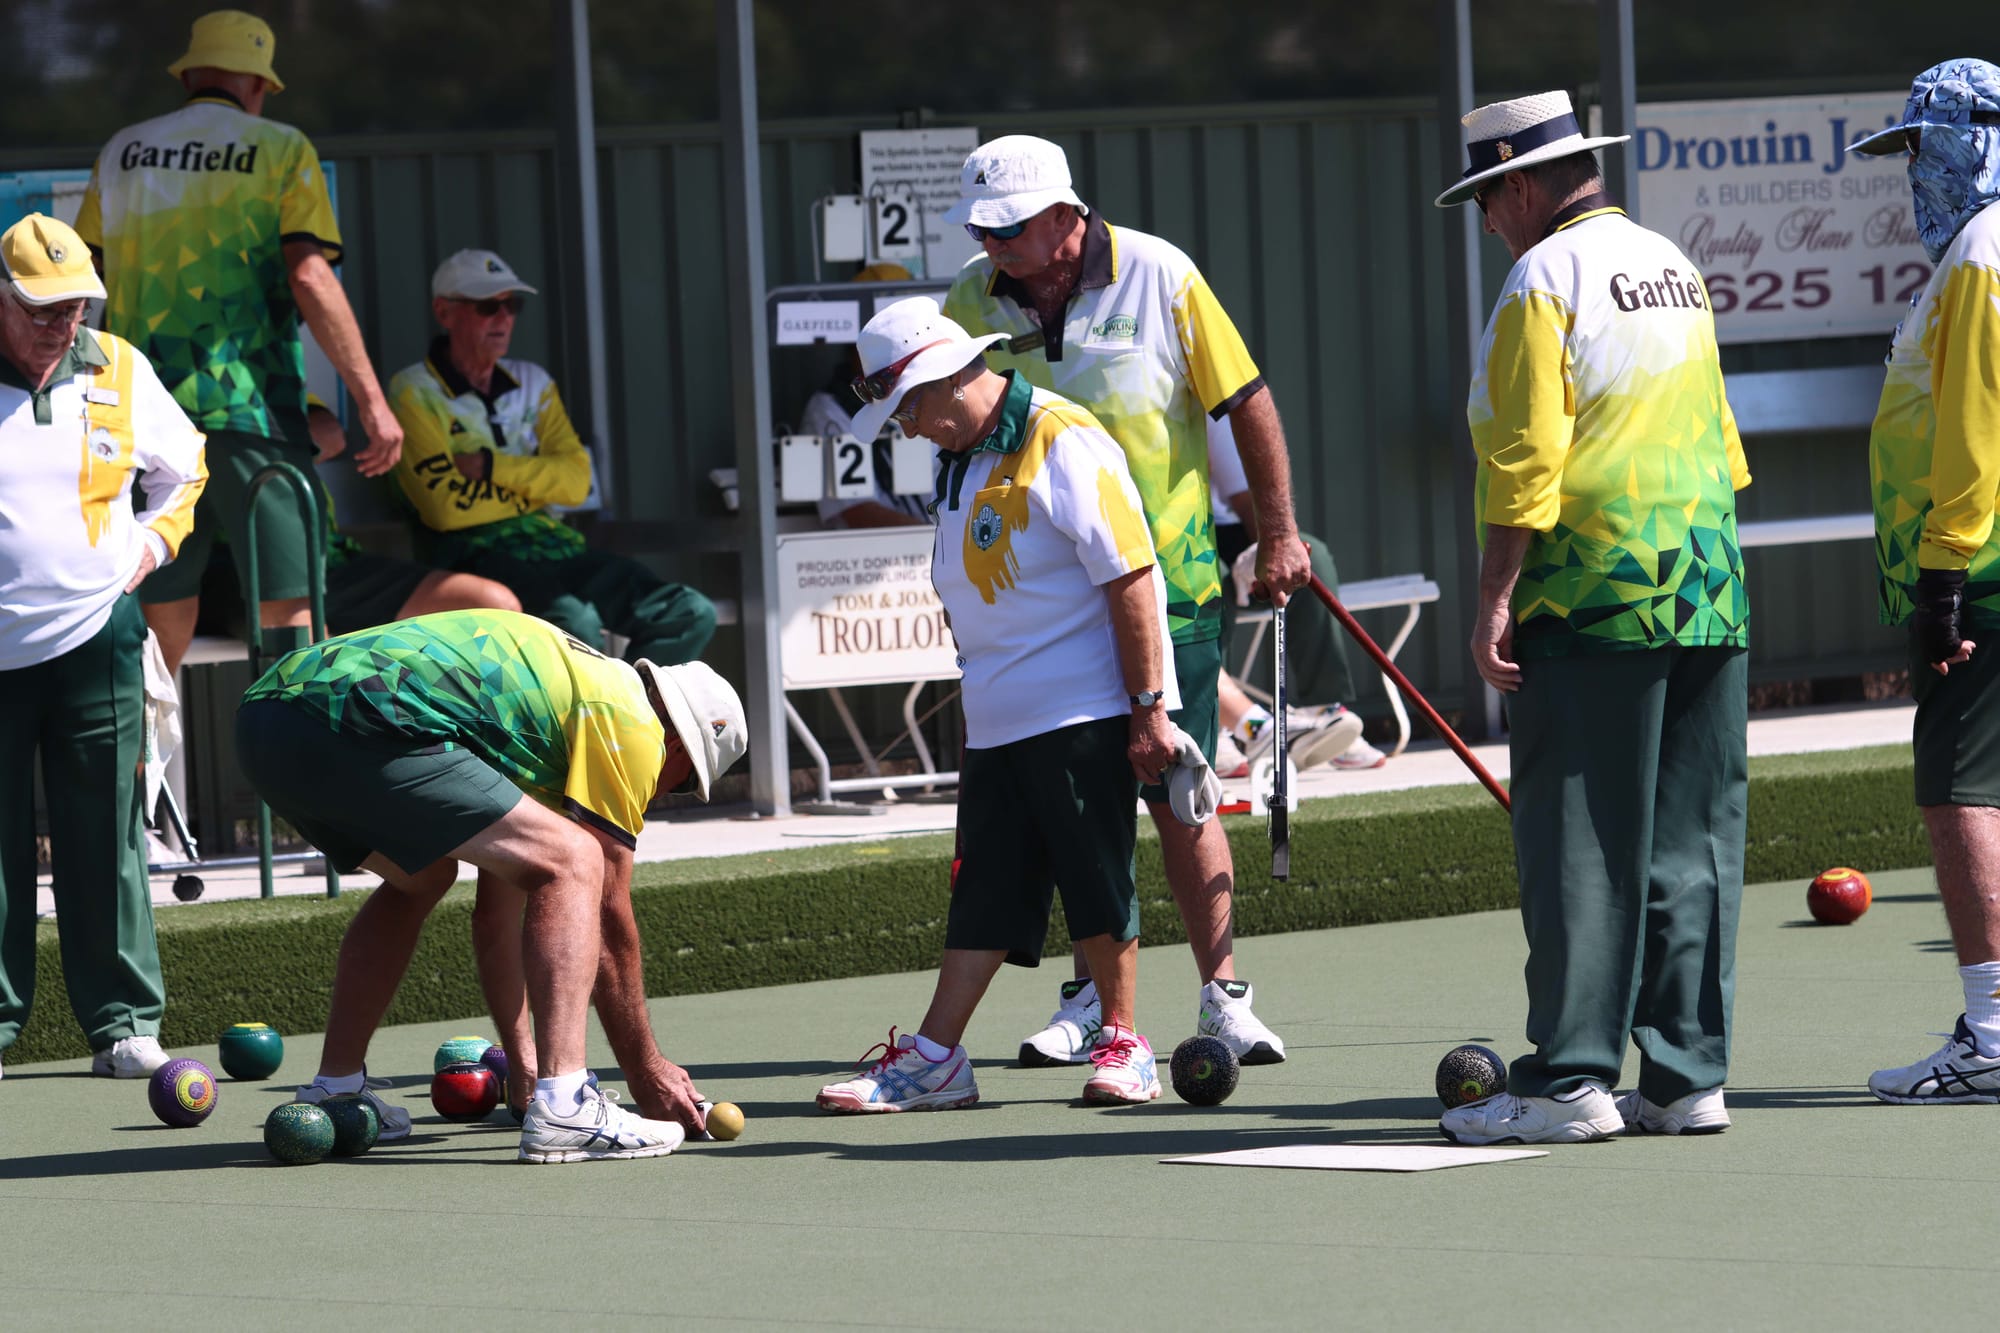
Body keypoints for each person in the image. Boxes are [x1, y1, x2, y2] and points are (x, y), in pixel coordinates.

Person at [942, 135, 1310, 1069]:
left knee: (1179, 794)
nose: (995, 248)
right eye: (984, 231)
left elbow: (1250, 403)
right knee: (1077, 807)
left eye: (1012, 229)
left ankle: (1222, 996)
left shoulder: (1162, 274)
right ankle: (1090, 999)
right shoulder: (969, 300)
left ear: (1069, 215)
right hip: (1039, 613)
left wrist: (1278, 532)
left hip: (1166, 588)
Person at [1433, 92, 1751, 1145]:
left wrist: (1490, 601)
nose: (1485, 219)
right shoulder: (1671, 261)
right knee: (1689, 841)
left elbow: (1527, 459)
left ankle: (1568, 1079)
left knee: (1577, 842)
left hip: (1589, 591)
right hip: (1706, 582)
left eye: (1486, 196)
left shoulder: (1539, 275)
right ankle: (1682, 1077)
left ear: (1521, 185)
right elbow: (1722, 436)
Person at [816, 298, 1196, 1112]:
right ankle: (938, 1058)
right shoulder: (958, 453)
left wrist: (1148, 709)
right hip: (997, 717)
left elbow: (1131, 575)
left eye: (907, 409)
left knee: (1097, 879)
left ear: (948, 380)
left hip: (1082, 708)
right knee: (984, 888)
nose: (908, 429)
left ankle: (1125, 1043)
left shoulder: (1063, 436)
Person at [234, 608, 747, 1160]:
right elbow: (607, 917)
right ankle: (568, 1104)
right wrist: (646, 1068)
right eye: (679, 787)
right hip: (365, 717)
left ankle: (336, 1087)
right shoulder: (631, 723)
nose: (659, 794)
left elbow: (496, 917)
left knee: (422, 875)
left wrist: (524, 1064)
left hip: (269, 718)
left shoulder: (555, 720)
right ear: (678, 749)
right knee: (576, 859)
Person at [74, 9, 404, 673]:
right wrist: (372, 400)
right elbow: (309, 274)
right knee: (288, 610)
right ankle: (295, 769)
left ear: (191, 72)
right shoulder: (281, 149)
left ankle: (142, 772)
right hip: (252, 411)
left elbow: (81, 282)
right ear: (259, 85)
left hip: (143, 414)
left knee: (158, 606)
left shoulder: (122, 151)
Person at [0, 214, 207, 1080]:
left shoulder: (119, 364)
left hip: (97, 637)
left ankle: (122, 1021)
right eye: (42, 307)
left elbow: (186, 466)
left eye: (75, 305)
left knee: (106, 834)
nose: (62, 323)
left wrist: (150, 550)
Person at [1850, 59, 2000, 1105]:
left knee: (1957, 789)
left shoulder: (1984, 252)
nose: (1911, 176)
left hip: (1982, 570)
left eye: (1920, 149)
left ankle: (1991, 1031)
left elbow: (1973, 430)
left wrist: (1940, 575)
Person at [390, 249, 715, 665]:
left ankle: (632, 719)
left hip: (553, 544)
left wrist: (491, 468)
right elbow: (445, 510)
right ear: (445, 312)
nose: (503, 318)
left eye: (512, 306)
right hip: (470, 555)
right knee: (574, 625)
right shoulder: (412, 390)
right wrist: (538, 488)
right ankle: (595, 723)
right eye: (488, 306)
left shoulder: (533, 381)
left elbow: (578, 483)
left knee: (687, 612)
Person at [1206, 413, 1379, 778]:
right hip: (1171, 537)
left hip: (1223, 527)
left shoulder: (1209, 397)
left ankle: (1323, 712)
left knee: (1305, 555)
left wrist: (1267, 549)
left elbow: (1242, 493)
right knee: (1208, 581)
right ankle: (1213, 725)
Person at [304, 396, 522, 634]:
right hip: (272, 574)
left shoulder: (276, 381)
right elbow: (444, 512)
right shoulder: (412, 388)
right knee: (305, 633)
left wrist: (373, 405)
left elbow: (330, 435)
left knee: (495, 607)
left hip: (330, 562)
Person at [800, 262, 932, 530]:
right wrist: (940, 543)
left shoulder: (937, 391)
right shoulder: (829, 408)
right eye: (885, 342)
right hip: (878, 561)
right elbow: (859, 512)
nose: (901, 351)